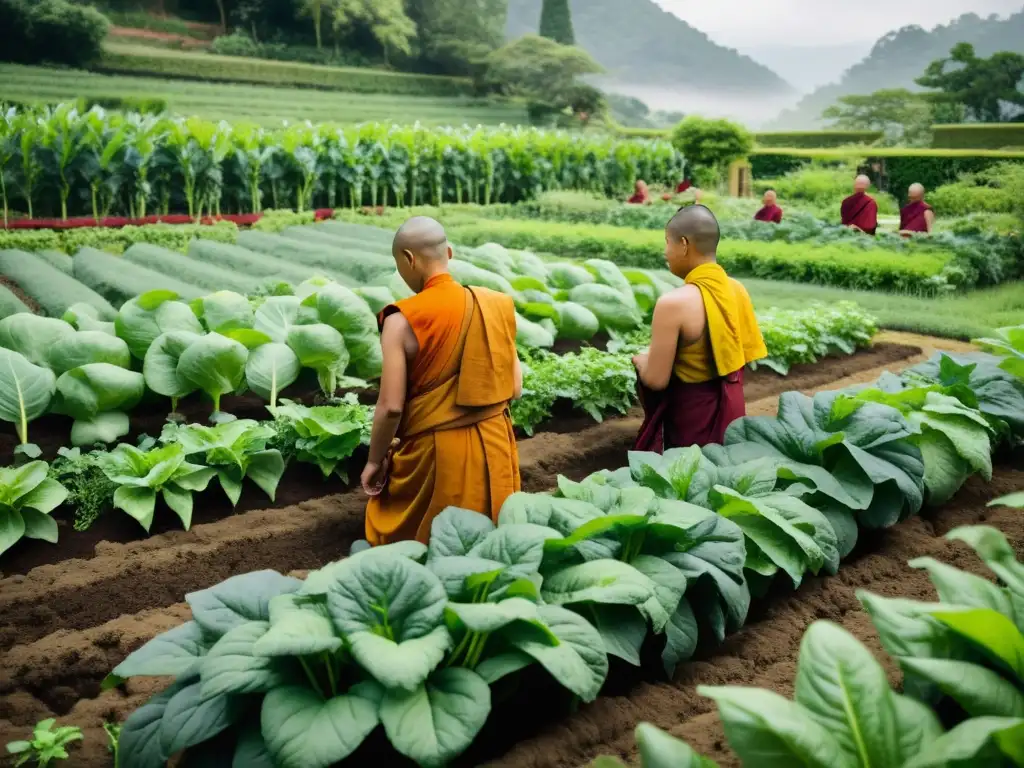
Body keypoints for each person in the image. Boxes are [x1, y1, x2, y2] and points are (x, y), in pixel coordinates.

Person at [361, 216, 523, 545]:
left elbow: (391, 407)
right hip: (496, 446)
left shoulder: (401, 319)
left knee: (426, 543)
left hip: (437, 455)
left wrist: (374, 461)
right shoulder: (494, 305)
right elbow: (515, 387)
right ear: (448, 252)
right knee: (494, 543)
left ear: (408, 259)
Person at [632, 205, 767, 451]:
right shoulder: (737, 289)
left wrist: (642, 361)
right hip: (733, 421)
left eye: (667, 242)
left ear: (684, 244)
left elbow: (656, 380)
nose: (666, 251)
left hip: (691, 432)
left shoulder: (673, 303)